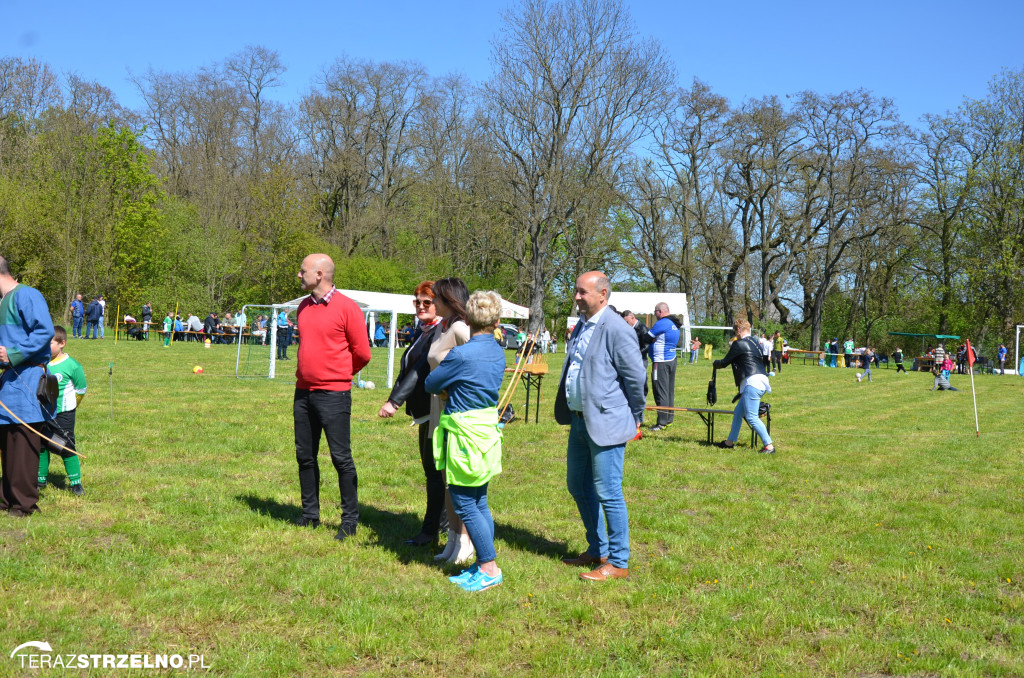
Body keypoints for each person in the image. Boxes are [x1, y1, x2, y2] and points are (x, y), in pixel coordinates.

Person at [555, 271, 645, 582]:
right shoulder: (582, 324)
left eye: (582, 292)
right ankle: (597, 549)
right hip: (580, 421)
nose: (576, 297)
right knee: (577, 485)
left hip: (607, 422)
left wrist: (636, 416)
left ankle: (618, 562)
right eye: (576, 291)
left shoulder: (618, 329)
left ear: (603, 294)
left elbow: (636, 378)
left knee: (609, 492)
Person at [425, 290, 507, 592]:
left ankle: (488, 566)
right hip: (487, 428)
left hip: (464, 431)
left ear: (467, 318)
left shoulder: (462, 353)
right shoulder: (498, 351)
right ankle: (481, 564)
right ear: (497, 320)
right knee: (479, 500)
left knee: (463, 501)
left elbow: (431, 382)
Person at [292, 253, 372, 540]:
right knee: (305, 456)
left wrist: (338, 373)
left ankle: (349, 520)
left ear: (320, 274)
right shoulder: (303, 307)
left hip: (334, 394)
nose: (298, 276)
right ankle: (310, 515)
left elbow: (362, 353)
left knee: (341, 458)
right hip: (303, 393)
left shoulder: (347, 308)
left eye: (302, 272)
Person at [377, 281, 446, 546]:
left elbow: (418, 370)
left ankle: (432, 531)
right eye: (416, 301)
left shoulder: (440, 331)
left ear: (438, 303)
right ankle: (438, 526)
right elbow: (407, 369)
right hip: (425, 411)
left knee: (434, 471)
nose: (420, 306)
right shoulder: (422, 331)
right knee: (432, 471)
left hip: (436, 409)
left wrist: (394, 402)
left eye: (426, 302)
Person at [0, 254, 55, 516]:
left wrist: (13, 354)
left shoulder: (28, 295)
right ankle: (7, 498)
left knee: (22, 441)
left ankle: (24, 505)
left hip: (27, 378)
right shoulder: (2, 301)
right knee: (8, 442)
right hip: (7, 381)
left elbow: (44, 331)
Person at [427, 277, 474, 564]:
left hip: (457, 411)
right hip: (439, 410)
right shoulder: (442, 327)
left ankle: (466, 541)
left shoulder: (460, 327)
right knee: (447, 480)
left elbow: (477, 363)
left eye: (436, 299)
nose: (432, 304)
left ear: (449, 299)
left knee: (460, 480)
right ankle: (453, 539)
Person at [37, 326, 87, 495]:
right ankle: (40, 479)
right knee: (42, 443)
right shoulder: (41, 362)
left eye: (49, 343)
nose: (45, 346)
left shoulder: (72, 365)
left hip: (63, 414)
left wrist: (72, 407)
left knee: (66, 446)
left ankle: (75, 483)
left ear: (62, 344)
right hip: (43, 412)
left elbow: (81, 390)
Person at [713, 316, 774, 454]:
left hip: (752, 383)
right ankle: (729, 442)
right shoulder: (755, 343)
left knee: (752, 417)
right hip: (761, 380)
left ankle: (769, 446)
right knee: (738, 413)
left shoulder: (739, 344)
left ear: (739, 330)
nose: (735, 335)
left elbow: (724, 362)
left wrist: (715, 363)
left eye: (735, 332)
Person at [647, 302, 681, 432]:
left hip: (660, 361)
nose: (655, 315)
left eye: (655, 312)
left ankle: (661, 422)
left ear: (660, 311)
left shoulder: (662, 323)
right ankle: (668, 419)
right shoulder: (674, 323)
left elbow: (647, 337)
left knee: (660, 391)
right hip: (671, 359)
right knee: (669, 391)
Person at [620, 310, 651, 398]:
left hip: (641, 359)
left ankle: (642, 396)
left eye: (627, 321)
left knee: (641, 379)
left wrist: (635, 353)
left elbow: (647, 346)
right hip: (632, 359)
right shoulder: (629, 329)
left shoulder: (643, 329)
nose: (625, 324)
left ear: (632, 318)